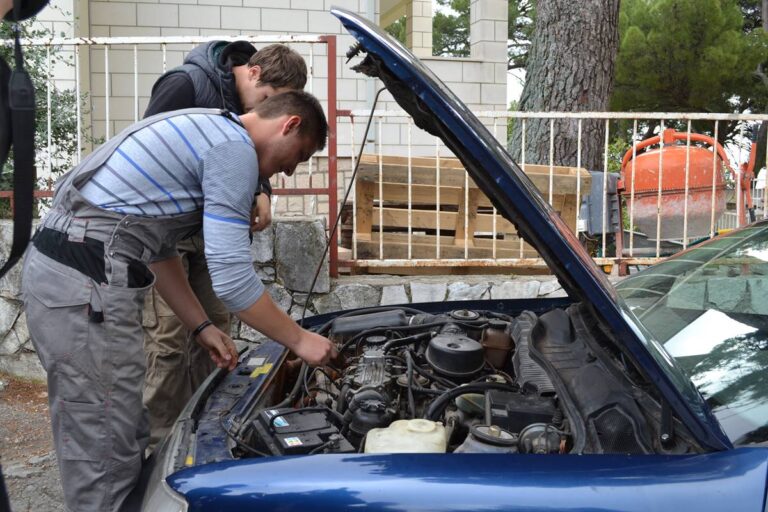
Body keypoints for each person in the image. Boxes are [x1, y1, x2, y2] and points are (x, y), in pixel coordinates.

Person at [21, 90, 337, 512]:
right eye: (298, 155)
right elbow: (231, 277)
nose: (287, 170)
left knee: (121, 425)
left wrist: (201, 325)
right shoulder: (233, 151)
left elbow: (159, 249)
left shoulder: (209, 124)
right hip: (85, 282)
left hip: (79, 275)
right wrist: (300, 340)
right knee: (103, 443)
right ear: (290, 124)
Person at [141, 42, 308, 445]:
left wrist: (262, 190)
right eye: (268, 99)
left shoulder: (251, 107)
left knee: (215, 331)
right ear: (252, 73)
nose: (268, 109)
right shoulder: (185, 85)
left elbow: (254, 149)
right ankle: (160, 445)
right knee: (168, 340)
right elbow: (152, 149)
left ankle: (203, 433)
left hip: (213, 232)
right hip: (168, 233)